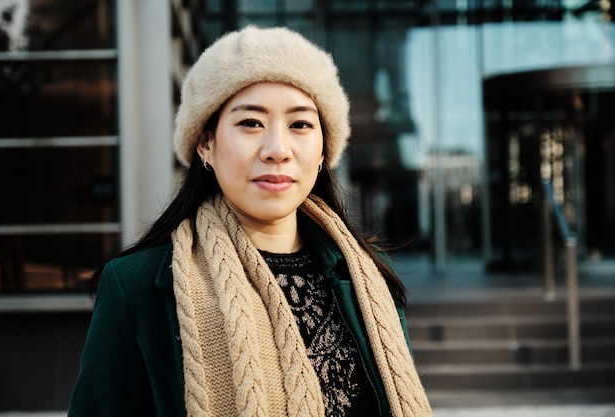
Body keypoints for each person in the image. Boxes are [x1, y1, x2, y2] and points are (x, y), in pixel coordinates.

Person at [68, 25, 432, 417]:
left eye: (300, 125)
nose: (277, 150)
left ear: (325, 149)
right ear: (205, 144)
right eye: (250, 123)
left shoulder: (370, 278)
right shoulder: (136, 288)